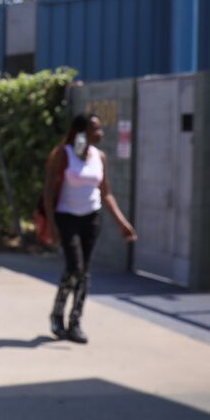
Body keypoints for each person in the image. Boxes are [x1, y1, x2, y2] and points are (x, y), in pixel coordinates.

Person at [43, 113, 137, 344]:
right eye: (95, 128)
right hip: (67, 217)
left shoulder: (99, 157)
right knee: (75, 266)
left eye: (100, 128)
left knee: (83, 272)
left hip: (91, 218)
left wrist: (122, 223)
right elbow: (48, 192)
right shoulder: (62, 155)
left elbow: (106, 193)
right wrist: (52, 224)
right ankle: (57, 313)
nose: (100, 132)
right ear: (81, 132)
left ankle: (75, 322)